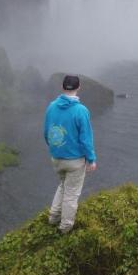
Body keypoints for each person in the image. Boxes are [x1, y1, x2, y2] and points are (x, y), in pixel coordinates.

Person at [43, 74, 97, 233]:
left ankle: (53, 216)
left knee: (63, 185)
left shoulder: (51, 106)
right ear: (78, 88)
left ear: (62, 87)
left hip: (56, 157)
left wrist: (55, 149)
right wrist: (91, 159)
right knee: (71, 194)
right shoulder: (81, 110)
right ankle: (65, 227)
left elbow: (47, 133)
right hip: (74, 161)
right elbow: (86, 138)